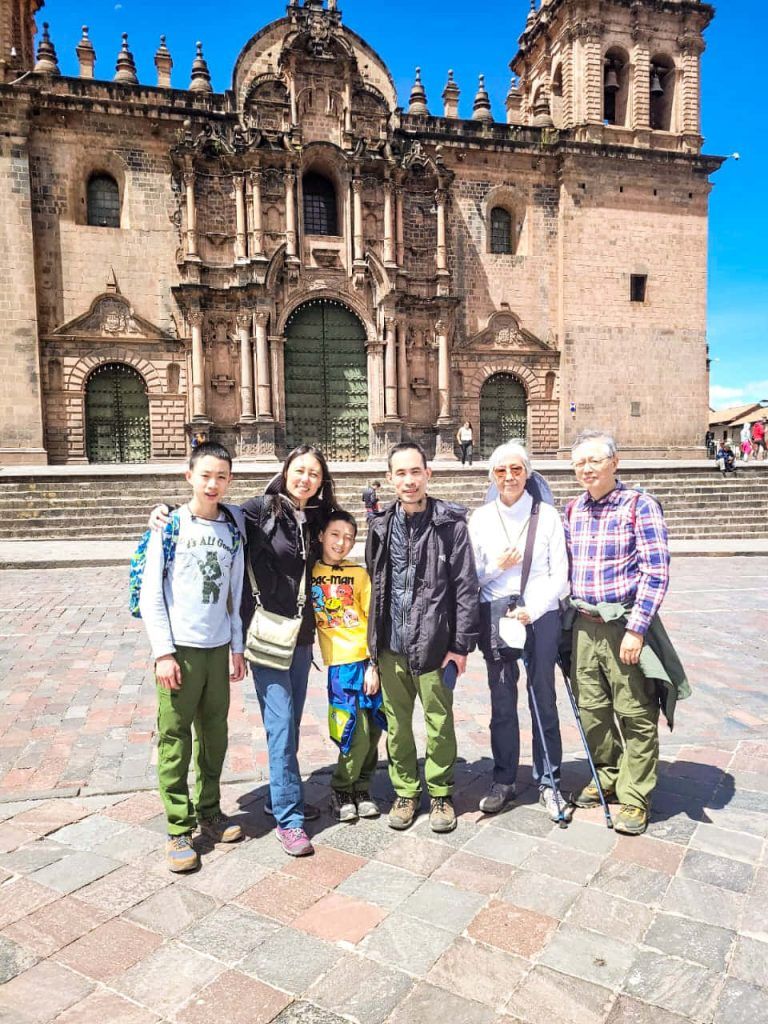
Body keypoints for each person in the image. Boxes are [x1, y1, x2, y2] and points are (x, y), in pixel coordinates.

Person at [149, 444, 337, 858]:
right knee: (281, 725)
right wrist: (164, 509)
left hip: (301, 638)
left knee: (289, 722)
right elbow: (208, 507)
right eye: (299, 470)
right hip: (266, 637)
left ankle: (277, 796)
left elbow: (345, 536)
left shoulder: (320, 518)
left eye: (315, 474)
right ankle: (289, 819)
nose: (305, 479)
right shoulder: (254, 512)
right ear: (285, 471)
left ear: (322, 482)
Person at [139, 441, 246, 872]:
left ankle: (211, 810)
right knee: (174, 737)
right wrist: (163, 652)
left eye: (221, 476)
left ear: (230, 480)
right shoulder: (168, 527)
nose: (213, 483)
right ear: (189, 477)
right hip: (179, 650)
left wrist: (237, 646)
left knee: (215, 734)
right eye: (205, 475)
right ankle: (178, 827)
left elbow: (235, 593)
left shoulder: (233, 526)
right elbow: (151, 595)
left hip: (217, 648)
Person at [366, 441, 479, 833]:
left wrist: (460, 646)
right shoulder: (379, 527)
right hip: (390, 645)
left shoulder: (451, 525)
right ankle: (406, 792)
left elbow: (466, 588)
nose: (409, 480)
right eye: (400, 473)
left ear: (428, 474)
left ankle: (442, 793)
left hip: (435, 644)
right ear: (390, 478)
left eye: (415, 471)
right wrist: (371, 652)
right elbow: (375, 587)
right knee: (397, 725)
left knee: (439, 721)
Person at [564, 430, 672, 836]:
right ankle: (606, 774)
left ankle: (635, 794)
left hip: (623, 626)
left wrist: (637, 629)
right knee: (592, 709)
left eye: (594, 460)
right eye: (579, 463)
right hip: (584, 627)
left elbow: (655, 571)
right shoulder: (573, 510)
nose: (586, 469)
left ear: (615, 462)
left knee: (634, 712)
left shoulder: (638, 506)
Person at [468, 442, 571, 820]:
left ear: (527, 473)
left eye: (516, 470)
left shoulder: (547, 517)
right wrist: (497, 566)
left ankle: (550, 781)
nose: (508, 477)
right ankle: (504, 779)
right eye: (500, 471)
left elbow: (559, 574)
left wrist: (534, 608)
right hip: (496, 615)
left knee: (542, 695)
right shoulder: (479, 519)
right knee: (501, 700)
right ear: (491, 476)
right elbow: (472, 576)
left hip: (539, 616)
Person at [311, 509, 386, 822]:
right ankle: (342, 786)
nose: (341, 543)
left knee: (374, 728)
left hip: (365, 661)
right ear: (321, 536)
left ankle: (363, 786)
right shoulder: (309, 572)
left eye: (348, 538)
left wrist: (374, 665)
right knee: (351, 730)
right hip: (340, 667)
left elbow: (374, 621)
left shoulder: (358, 574)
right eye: (334, 535)